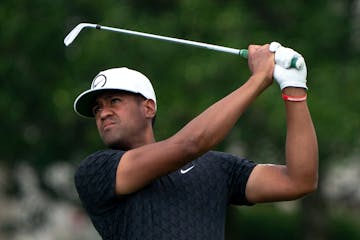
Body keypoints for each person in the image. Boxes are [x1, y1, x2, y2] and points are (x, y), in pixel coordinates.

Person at [73, 42, 318, 240]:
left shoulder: (216, 167)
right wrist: (258, 80)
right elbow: (189, 145)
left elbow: (299, 181)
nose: (103, 113)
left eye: (114, 101)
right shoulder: (97, 170)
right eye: (97, 108)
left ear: (148, 107)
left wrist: (293, 87)